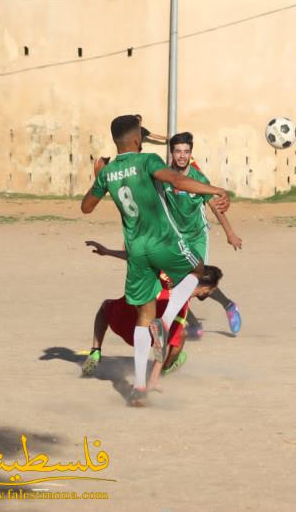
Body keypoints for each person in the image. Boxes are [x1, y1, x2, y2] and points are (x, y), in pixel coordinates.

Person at [81, 114, 230, 406]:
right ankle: (165, 320)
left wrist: (100, 177)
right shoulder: (147, 161)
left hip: (135, 250)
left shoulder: (107, 172)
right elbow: (176, 179)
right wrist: (214, 190)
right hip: (163, 242)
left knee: (142, 316)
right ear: (137, 139)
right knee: (198, 269)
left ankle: (138, 388)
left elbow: (86, 207)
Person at [81, 240, 222, 380]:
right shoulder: (181, 306)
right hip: (143, 338)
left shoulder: (164, 270)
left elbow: (136, 258)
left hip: (120, 321)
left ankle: (95, 351)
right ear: (205, 289)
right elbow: (163, 345)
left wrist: (107, 252)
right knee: (179, 335)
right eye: (212, 290)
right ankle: (163, 370)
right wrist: (154, 377)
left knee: (105, 306)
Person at [164, 132, 243, 335]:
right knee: (171, 283)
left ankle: (228, 305)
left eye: (186, 152)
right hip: (175, 238)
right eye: (178, 151)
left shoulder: (198, 179)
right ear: (171, 152)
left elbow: (216, 207)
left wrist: (229, 233)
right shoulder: (164, 177)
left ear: (191, 153)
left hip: (196, 237)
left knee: (197, 282)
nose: (182, 156)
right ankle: (192, 322)